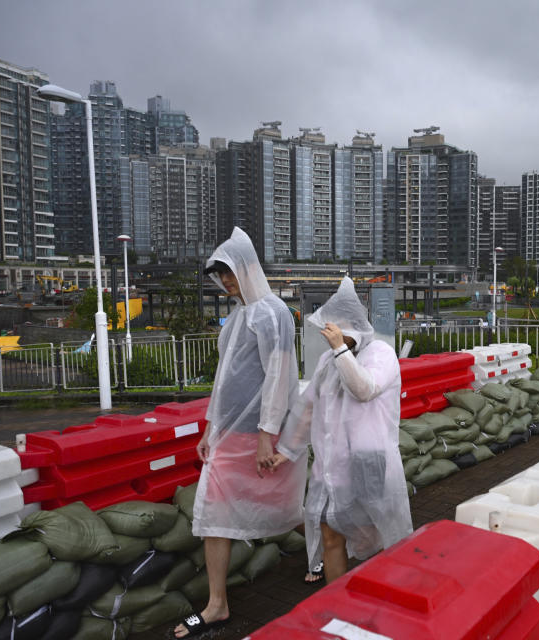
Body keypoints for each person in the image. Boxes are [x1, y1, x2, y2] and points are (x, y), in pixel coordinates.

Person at [174, 227, 305, 639]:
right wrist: (210, 429)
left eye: (231, 272)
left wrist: (268, 434)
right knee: (215, 511)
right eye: (221, 275)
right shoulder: (238, 317)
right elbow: (224, 380)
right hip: (230, 437)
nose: (227, 282)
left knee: (290, 509)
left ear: (249, 268)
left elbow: (279, 377)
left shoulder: (272, 312)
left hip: (256, 435)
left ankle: (329, 546)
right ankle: (218, 605)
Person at [272, 277, 413, 583]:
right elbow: (308, 406)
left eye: (336, 328)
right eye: (328, 329)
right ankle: (335, 602)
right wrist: (286, 450)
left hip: (369, 462)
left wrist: (340, 350)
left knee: (381, 535)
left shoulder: (380, 354)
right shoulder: (326, 361)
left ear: (353, 325)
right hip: (332, 468)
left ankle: (388, 592)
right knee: (331, 535)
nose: (329, 335)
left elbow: (365, 388)